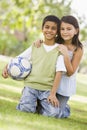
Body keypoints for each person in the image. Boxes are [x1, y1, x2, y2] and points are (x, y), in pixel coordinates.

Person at [2, 15, 67, 118]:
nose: (49, 30)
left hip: (47, 89)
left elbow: (59, 73)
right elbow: (18, 59)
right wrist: (6, 67)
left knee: (53, 114)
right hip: (30, 86)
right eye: (47, 27)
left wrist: (53, 94)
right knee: (26, 110)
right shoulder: (35, 46)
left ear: (57, 31)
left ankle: (54, 108)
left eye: (53, 28)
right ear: (42, 29)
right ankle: (30, 103)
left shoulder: (58, 50)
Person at [34, 15, 83, 118]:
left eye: (69, 29)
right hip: (52, 81)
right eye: (62, 29)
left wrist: (65, 54)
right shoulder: (57, 42)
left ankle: (65, 110)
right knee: (44, 107)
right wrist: (39, 41)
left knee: (55, 114)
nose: (65, 32)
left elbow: (70, 73)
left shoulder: (78, 49)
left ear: (76, 31)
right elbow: (47, 43)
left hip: (65, 85)